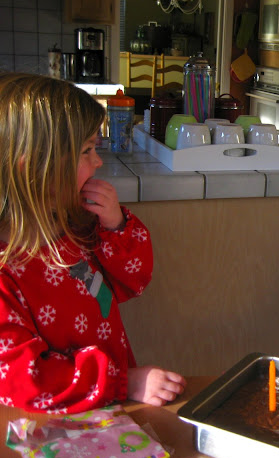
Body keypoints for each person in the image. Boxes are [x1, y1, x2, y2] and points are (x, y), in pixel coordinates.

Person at [0, 73, 186, 414]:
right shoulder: (6, 273)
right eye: (86, 150)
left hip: (110, 407)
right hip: (58, 425)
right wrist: (123, 382)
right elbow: (26, 379)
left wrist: (116, 225)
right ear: (32, 167)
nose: (98, 162)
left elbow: (133, 281)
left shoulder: (77, 226)